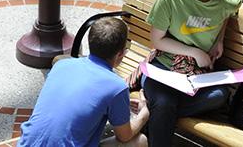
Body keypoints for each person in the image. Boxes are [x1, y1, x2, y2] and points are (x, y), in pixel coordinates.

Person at [138, 0, 243, 146]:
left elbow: (228, 13)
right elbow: (157, 40)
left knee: (219, 96)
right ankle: (158, 113)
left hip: (197, 74)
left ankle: (150, 112)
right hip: (163, 66)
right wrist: (195, 52)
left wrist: (219, 39)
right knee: (165, 102)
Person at [19, 17, 149, 146]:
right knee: (140, 141)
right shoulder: (116, 87)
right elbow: (124, 136)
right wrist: (144, 113)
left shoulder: (61, 65)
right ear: (120, 53)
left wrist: (118, 103)